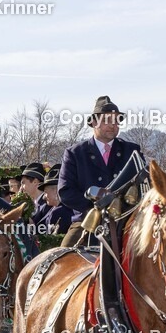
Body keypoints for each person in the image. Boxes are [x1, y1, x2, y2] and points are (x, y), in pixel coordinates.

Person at [57, 95, 142, 245]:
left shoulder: (132, 151)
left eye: (116, 120)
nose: (113, 125)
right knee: (63, 256)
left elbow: (144, 185)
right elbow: (65, 192)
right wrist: (95, 204)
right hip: (86, 222)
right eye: (107, 120)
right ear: (94, 122)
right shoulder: (75, 153)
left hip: (126, 223)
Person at [35, 164, 73, 235]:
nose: (44, 197)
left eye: (46, 192)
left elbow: (51, 241)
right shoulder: (65, 209)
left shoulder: (58, 212)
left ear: (56, 191)